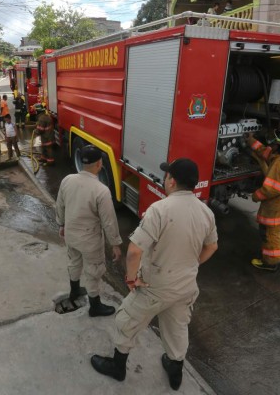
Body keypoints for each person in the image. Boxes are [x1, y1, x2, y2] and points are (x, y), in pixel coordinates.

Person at [91, 158, 218, 390]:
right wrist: (192, 265)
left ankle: (118, 367)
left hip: (155, 286)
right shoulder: (205, 212)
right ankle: (175, 370)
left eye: (167, 175)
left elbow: (134, 252)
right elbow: (212, 247)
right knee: (177, 327)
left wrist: (130, 279)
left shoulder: (160, 209)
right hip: (186, 285)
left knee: (126, 321)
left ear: (171, 181)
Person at [55, 145, 122, 317]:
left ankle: (75, 291)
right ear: (99, 164)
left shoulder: (67, 180)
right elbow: (109, 221)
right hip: (89, 240)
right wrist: (115, 243)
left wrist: (61, 225)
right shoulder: (101, 190)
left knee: (74, 261)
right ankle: (95, 306)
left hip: (70, 234)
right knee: (94, 270)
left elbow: (60, 205)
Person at [245, 129, 280, 271]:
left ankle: (271, 262)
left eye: (274, 142)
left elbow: (271, 189)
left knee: (270, 234)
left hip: (275, 207)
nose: (271, 145)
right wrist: (250, 140)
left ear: (279, 145)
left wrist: (256, 195)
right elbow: (265, 152)